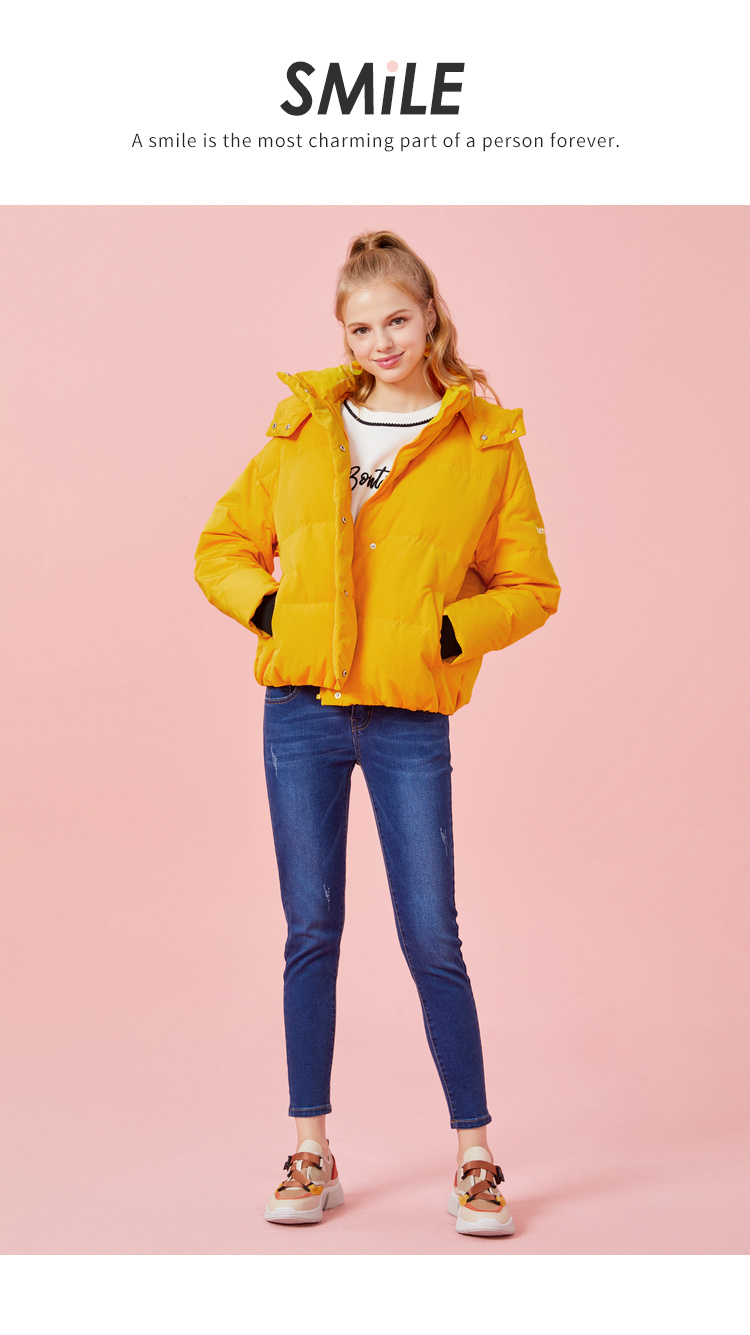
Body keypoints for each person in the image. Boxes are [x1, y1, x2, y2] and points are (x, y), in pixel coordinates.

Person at [194, 230, 561, 1236]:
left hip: (407, 716)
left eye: (397, 319)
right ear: (344, 336)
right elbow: (222, 546)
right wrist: (277, 615)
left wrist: (444, 633)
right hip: (300, 710)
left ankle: (475, 1157)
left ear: (431, 315)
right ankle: (309, 1149)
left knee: (432, 935)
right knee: (310, 929)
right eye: (361, 329)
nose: (382, 342)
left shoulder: (485, 444)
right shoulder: (304, 425)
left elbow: (532, 586)